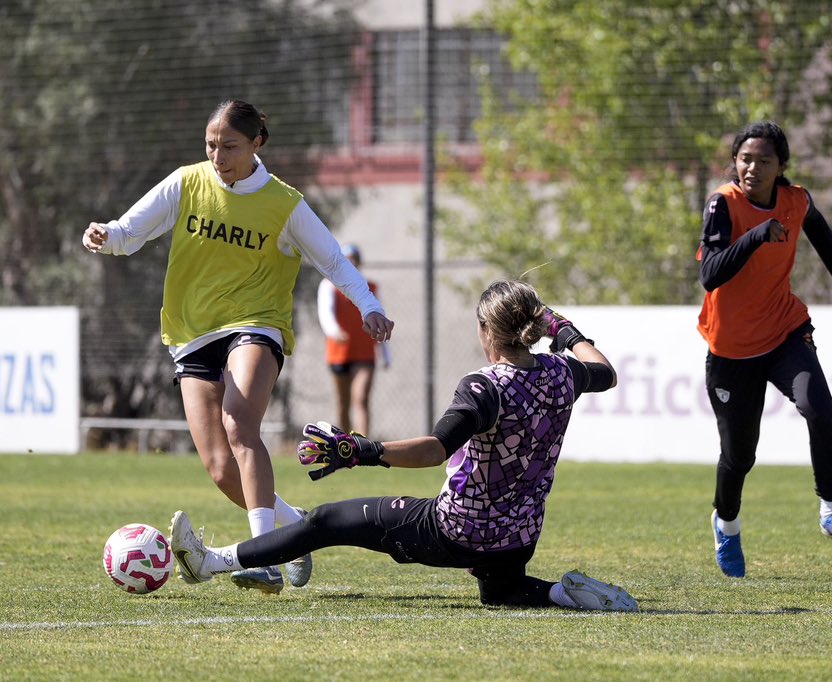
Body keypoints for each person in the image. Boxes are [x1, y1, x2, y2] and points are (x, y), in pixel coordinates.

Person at [168, 280, 638, 612]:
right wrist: (565, 331)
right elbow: (605, 371)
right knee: (501, 593)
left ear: (486, 331)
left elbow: (435, 448)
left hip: (457, 531)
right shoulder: (562, 374)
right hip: (518, 540)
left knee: (327, 520)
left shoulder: (485, 386)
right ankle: (563, 594)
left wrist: (364, 451)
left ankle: (210, 562)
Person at [83, 100, 394, 595]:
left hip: (257, 325)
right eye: (210, 145)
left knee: (238, 422)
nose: (217, 155)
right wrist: (106, 234)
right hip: (191, 334)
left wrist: (367, 305)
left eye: (229, 146)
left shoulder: (284, 204)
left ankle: (264, 561)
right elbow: (130, 232)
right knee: (220, 468)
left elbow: (333, 260)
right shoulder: (188, 182)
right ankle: (293, 533)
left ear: (257, 145)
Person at [697, 120, 832, 578]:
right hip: (731, 350)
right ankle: (727, 524)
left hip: (785, 332)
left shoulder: (797, 201)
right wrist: (756, 236)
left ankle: (830, 502)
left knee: (820, 408)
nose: (753, 167)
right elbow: (710, 274)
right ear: (735, 162)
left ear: (782, 167)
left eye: (764, 160)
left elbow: (826, 244)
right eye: (746, 158)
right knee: (740, 456)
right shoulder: (722, 203)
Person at [317, 243, 390, 436]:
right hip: (339, 352)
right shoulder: (328, 285)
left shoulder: (370, 287)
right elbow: (326, 314)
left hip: (365, 351)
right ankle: (344, 444)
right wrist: (334, 331)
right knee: (343, 403)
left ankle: (364, 447)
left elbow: (380, 315)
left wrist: (385, 353)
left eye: (354, 259)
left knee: (361, 399)